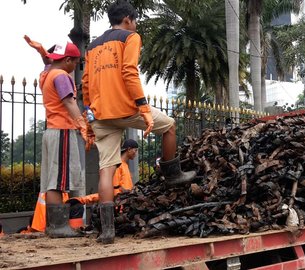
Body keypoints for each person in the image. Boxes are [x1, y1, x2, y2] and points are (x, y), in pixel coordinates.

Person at [82, 0, 195, 244]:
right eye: (135, 21)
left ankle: (108, 231)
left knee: (106, 168)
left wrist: (89, 120)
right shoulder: (130, 37)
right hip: (126, 109)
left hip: (101, 114)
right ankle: (173, 175)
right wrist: (143, 107)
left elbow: (86, 85)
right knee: (170, 126)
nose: (135, 25)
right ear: (128, 19)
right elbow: (129, 72)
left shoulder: (92, 46)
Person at [25, 35, 91, 238]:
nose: (76, 67)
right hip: (62, 131)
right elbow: (70, 103)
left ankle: (57, 226)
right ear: (68, 60)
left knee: (54, 179)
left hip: (52, 131)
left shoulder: (47, 75)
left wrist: (44, 54)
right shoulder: (61, 76)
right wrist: (83, 127)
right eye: (76, 63)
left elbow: (49, 63)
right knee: (57, 181)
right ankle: (57, 227)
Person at [70, 139, 137, 205]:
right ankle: (80, 200)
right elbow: (115, 188)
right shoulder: (118, 165)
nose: (136, 153)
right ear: (129, 149)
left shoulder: (124, 165)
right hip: (119, 204)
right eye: (135, 150)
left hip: (126, 202)